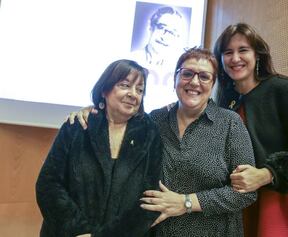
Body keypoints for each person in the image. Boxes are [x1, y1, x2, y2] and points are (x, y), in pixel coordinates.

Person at [69, 48, 257, 236]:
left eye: (204, 77)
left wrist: (187, 202)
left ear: (213, 84)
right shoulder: (153, 121)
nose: (194, 82)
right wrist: (93, 111)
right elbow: (116, 118)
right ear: (175, 79)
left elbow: (247, 192)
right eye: (187, 74)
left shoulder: (230, 124)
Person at [213, 23, 288, 237]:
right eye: (228, 52)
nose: (235, 58)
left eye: (243, 50)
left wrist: (267, 174)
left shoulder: (284, 89)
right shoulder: (225, 100)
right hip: (241, 202)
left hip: (284, 200)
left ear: (258, 55)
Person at [36, 59, 163, 237]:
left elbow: (151, 198)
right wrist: (78, 230)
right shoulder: (77, 126)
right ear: (105, 89)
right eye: (125, 85)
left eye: (140, 90)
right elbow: (48, 184)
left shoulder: (150, 133)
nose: (133, 94)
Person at [130, 6, 188, 112]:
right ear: (150, 27)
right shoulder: (130, 60)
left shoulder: (179, 69)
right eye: (161, 27)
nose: (164, 36)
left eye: (172, 32)